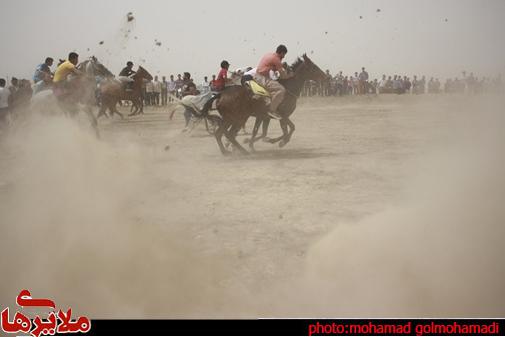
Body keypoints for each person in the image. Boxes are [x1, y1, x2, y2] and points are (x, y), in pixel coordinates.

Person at [253, 44, 293, 120]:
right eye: (284, 54)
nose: (284, 56)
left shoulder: (269, 55)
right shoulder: (276, 59)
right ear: (281, 52)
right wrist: (290, 75)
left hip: (258, 76)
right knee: (281, 90)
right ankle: (272, 110)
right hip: (262, 78)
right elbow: (283, 76)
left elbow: (272, 67)